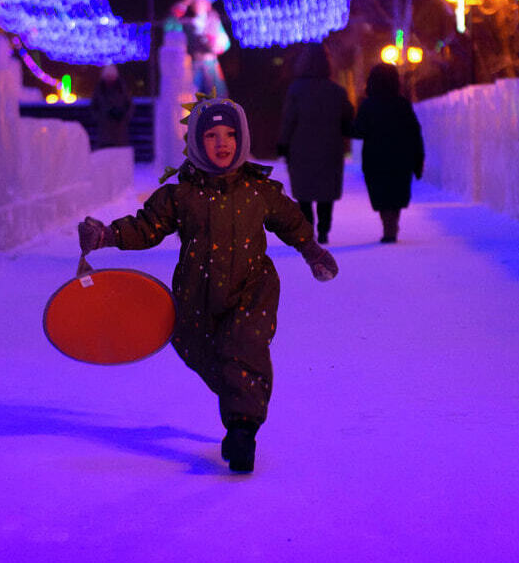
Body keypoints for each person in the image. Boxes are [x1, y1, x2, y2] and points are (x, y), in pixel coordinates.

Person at [77, 97, 338, 473]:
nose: (222, 142)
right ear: (197, 142)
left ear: (242, 138)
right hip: (197, 294)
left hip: (252, 289)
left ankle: (242, 430)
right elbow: (146, 226)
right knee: (206, 354)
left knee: (244, 347)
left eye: (230, 134)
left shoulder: (258, 191)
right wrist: (106, 235)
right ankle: (238, 400)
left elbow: (291, 220)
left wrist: (312, 251)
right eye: (212, 135)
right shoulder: (181, 195)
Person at [277, 43, 354, 244]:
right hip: (330, 148)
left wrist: (283, 143)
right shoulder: (336, 91)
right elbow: (347, 118)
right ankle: (324, 230)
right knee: (325, 194)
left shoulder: (296, 90)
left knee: (305, 194)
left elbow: (289, 120)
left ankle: (308, 229)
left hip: (301, 149)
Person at [352, 63, 425, 243]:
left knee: (381, 193)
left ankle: (388, 225)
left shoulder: (368, 105)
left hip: (375, 156)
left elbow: (358, 131)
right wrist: (417, 160)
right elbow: (414, 132)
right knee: (396, 192)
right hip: (401, 157)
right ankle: (392, 225)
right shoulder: (402, 104)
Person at [170, 0, 230, 97]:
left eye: (202, 2)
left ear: (208, 4)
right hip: (193, 64)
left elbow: (225, 43)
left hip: (211, 64)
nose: (199, 5)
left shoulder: (214, 21)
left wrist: (216, 45)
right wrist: (187, 1)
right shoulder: (188, 23)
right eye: (196, 2)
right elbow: (172, 18)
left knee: (217, 96)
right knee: (192, 96)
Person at [90, 64, 134, 149]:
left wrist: (124, 116)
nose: (110, 80)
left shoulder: (122, 89)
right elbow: (94, 107)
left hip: (120, 132)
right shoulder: (99, 90)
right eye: (108, 77)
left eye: (111, 77)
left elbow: (129, 106)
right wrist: (101, 117)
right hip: (105, 132)